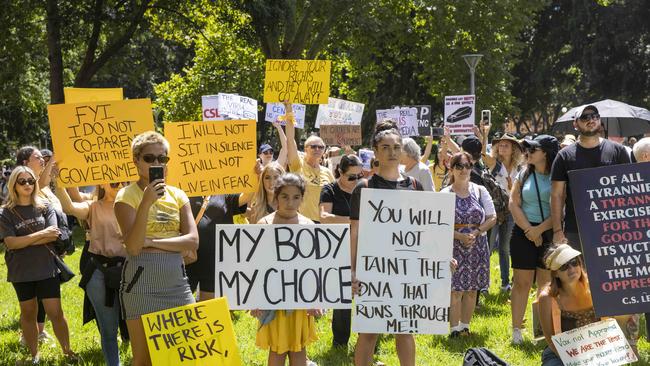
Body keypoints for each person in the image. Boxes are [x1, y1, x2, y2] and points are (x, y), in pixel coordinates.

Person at [114, 131, 198, 366]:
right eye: (150, 158)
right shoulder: (126, 196)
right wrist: (146, 202)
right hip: (141, 284)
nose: (157, 164)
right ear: (136, 160)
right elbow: (132, 246)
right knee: (145, 360)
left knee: (183, 355)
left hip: (176, 283)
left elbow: (192, 241)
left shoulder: (178, 195)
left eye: (163, 158)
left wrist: (151, 242)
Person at [351, 121, 423, 366]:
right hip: (372, 269)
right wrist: (352, 270)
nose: (392, 152)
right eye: (386, 147)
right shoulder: (365, 187)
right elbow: (355, 232)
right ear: (375, 150)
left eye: (397, 147)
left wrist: (440, 258)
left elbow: (425, 230)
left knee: (405, 328)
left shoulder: (415, 186)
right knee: (369, 330)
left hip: (406, 268)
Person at [0, 166, 76, 363]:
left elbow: (54, 234)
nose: (27, 184)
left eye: (31, 181)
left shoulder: (45, 206)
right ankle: (35, 355)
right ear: (13, 185)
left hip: (46, 269)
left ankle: (68, 352)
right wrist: (41, 235)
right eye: (22, 181)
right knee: (28, 313)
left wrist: (24, 239)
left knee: (56, 313)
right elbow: (10, 243)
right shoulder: (5, 213)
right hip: (21, 272)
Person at [54, 182, 126, 366]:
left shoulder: (134, 204)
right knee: (108, 330)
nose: (121, 185)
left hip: (129, 271)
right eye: (115, 182)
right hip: (99, 272)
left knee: (134, 326)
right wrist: (59, 183)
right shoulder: (93, 206)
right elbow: (68, 207)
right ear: (103, 183)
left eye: (125, 181)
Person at [253, 173, 319, 366]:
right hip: (272, 298)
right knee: (277, 349)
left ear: (302, 198)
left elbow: (315, 266)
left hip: (300, 298)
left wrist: (315, 298)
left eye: (296, 197)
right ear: (276, 197)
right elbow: (254, 265)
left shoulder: (308, 225)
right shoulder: (264, 225)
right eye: (285, 196)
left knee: (299, 349)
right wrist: (254, 297)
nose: (290, 202)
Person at [550, 105, 630, 250]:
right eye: (585, 117)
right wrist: (557, 231)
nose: (591, 120)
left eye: (595, 116)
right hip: (576, 229)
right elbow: (556, 195)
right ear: (575, 123)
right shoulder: (564, 156)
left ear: (599, 120)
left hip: (614, 228)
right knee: (580, 273)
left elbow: (629, 189)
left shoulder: (618, 151)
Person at [508, 135, 559, 344]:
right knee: (521, 282)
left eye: (533, 149)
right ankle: (517, 331)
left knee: (545, 284)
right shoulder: (524, 172)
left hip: (548, 232)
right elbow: (513, 203)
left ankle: (542, 331)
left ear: (545, 153)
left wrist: (540, 231)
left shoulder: (558, 175)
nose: (527, 153)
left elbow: (560, 208)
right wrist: (530, 230)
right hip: (523, 232)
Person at [441, 152, 496, 337]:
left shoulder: (480, 190)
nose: (464, 170)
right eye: (459, 166)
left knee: (472, 289)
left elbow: (492, 217)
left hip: (477, 245)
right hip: (453, 246)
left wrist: (476, 232)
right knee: (455, 290)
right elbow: (437, 225)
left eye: (467, 166)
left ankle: (465, 327)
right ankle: (454, 329)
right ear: (452, 170)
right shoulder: (445, 194)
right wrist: (458, 236)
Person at [319, 154, 362, 348]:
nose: (355, 181)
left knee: (365, 290)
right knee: (343, 293)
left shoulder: (364, 189)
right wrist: (351, 221)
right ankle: (340, 341)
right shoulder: (329, 189)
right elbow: (323, 217)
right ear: (340, 173)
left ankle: (367, 337)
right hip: (339, 248)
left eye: (358, 176)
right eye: (351, 177)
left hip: (363, 245)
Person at [480, 127, 523, 292]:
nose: (502, 147)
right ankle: (483, 284)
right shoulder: (495, 164)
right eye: (500, 145)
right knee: (488, 248)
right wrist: (484, 135)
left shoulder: (519, 168)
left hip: (511, 210)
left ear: (513, 149)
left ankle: (505, 283)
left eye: (506, 145)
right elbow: (483, 154)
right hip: (494, 210)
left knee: (505, 248)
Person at [285, 103, 335, 223]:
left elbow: (336, 196)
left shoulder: (327, 172)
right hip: (302, 222)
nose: (317, 149)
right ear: (305, 149)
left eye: (320, 147)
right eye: (313, 146)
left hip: (323, 224)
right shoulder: (298, 164)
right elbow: (290, 140)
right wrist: (289, 110)